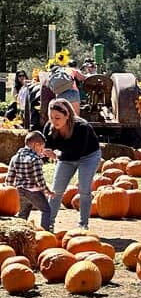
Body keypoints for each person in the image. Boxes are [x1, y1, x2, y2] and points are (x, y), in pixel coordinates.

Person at [42, 98, 102, 231]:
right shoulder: (50, 127)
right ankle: (48, 224)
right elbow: (47, 146)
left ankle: (83, 225)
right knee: (56, 190)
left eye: (58, 117)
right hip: (66, 157)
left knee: (84, 189)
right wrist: (43, 152)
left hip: (88, 156)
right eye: (51, 117)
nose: (54, 121)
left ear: (67, 115)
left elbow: (76, 153)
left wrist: (56, 155)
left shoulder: (82, 127)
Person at [9, 131, 54, 229]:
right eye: (41, 148)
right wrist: (47, 191)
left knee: (22, 214)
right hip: (33, 191)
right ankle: (45, 231)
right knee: (46, 210)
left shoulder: (15, 158)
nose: (41, 151)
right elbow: (39, 179)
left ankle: (19, 232)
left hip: (20, 191)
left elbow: (10, 177)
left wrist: (9, 191)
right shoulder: (35, 160)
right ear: (36, 145)